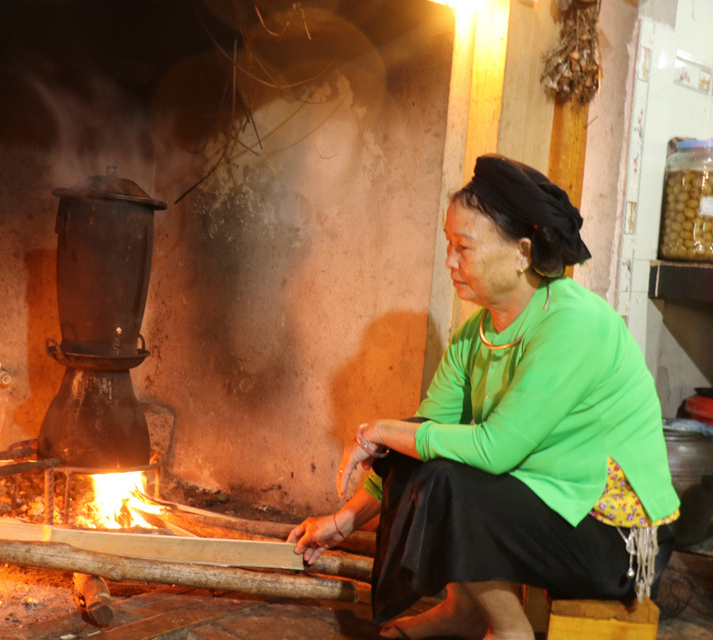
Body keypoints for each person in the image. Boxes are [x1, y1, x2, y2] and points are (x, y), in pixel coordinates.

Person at [288, 154, 681, 640]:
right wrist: (343, 522)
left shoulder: (574, 322)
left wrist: (377, 430)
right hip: (553, 509)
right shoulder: (476, 334)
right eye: (448, 245)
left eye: (464, 248)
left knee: (446, 480)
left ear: (521, 253)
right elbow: (417, 442)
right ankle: (464, 612)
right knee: (424, 458)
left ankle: (510, 631)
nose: (450, 262)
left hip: (613, 539)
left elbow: (496, 450)